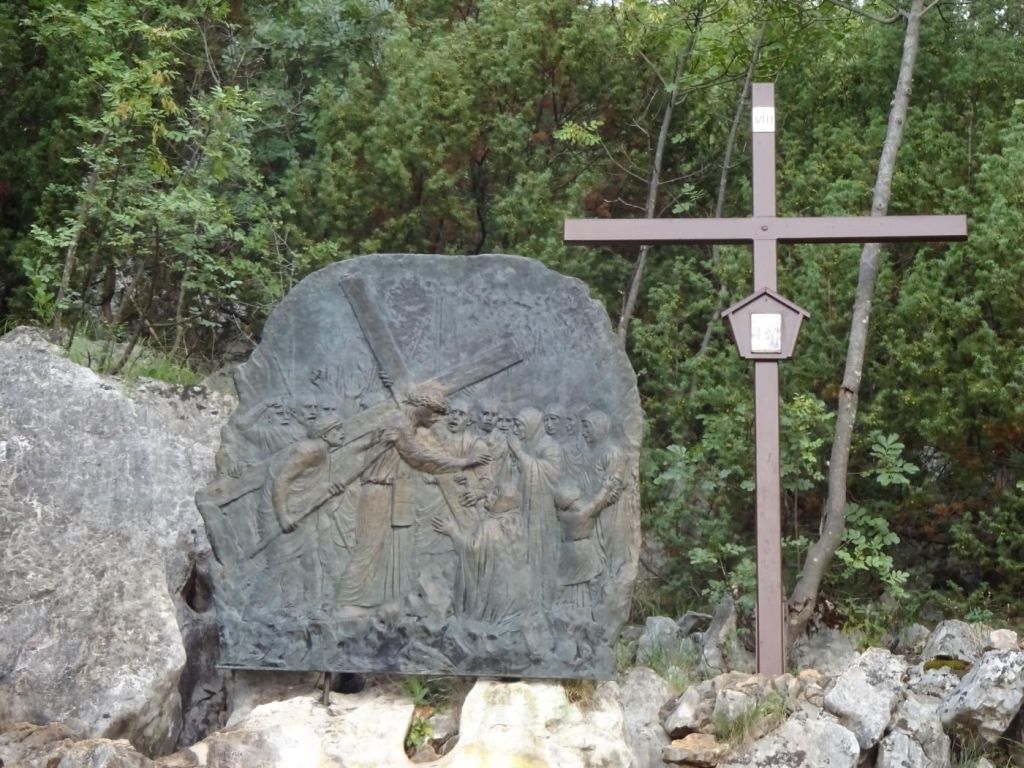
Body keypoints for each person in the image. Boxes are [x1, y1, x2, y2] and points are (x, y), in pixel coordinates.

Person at [339, 385, 491, 611]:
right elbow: (419, 457)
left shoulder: (406, 424)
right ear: (421, 406)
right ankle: (346, 601)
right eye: (435, 412)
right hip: (378, 491)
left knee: (383, 548)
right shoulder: (399, 423)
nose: (438, 419)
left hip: (390, 491)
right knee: (368, 547)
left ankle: (369, 601)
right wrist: (463, 462)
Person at [432, 481, 527, 625]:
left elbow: (472, 549)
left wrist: (453, 532)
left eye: (495, 494)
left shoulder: (489, 527)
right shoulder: (516, 524)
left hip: (491, 594)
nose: (488, 495)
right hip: (510, 595)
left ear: (503, 503)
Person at [508, 406, 563, 603]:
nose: (515, 429)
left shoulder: (550, 446)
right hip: (523, 506)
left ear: (531, 425)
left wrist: (519, 453)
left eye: (520, 425)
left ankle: (540, 597)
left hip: (541, 511)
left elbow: (552, 475)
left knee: (538, 549)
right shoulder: (528, 445)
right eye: (514, 424)